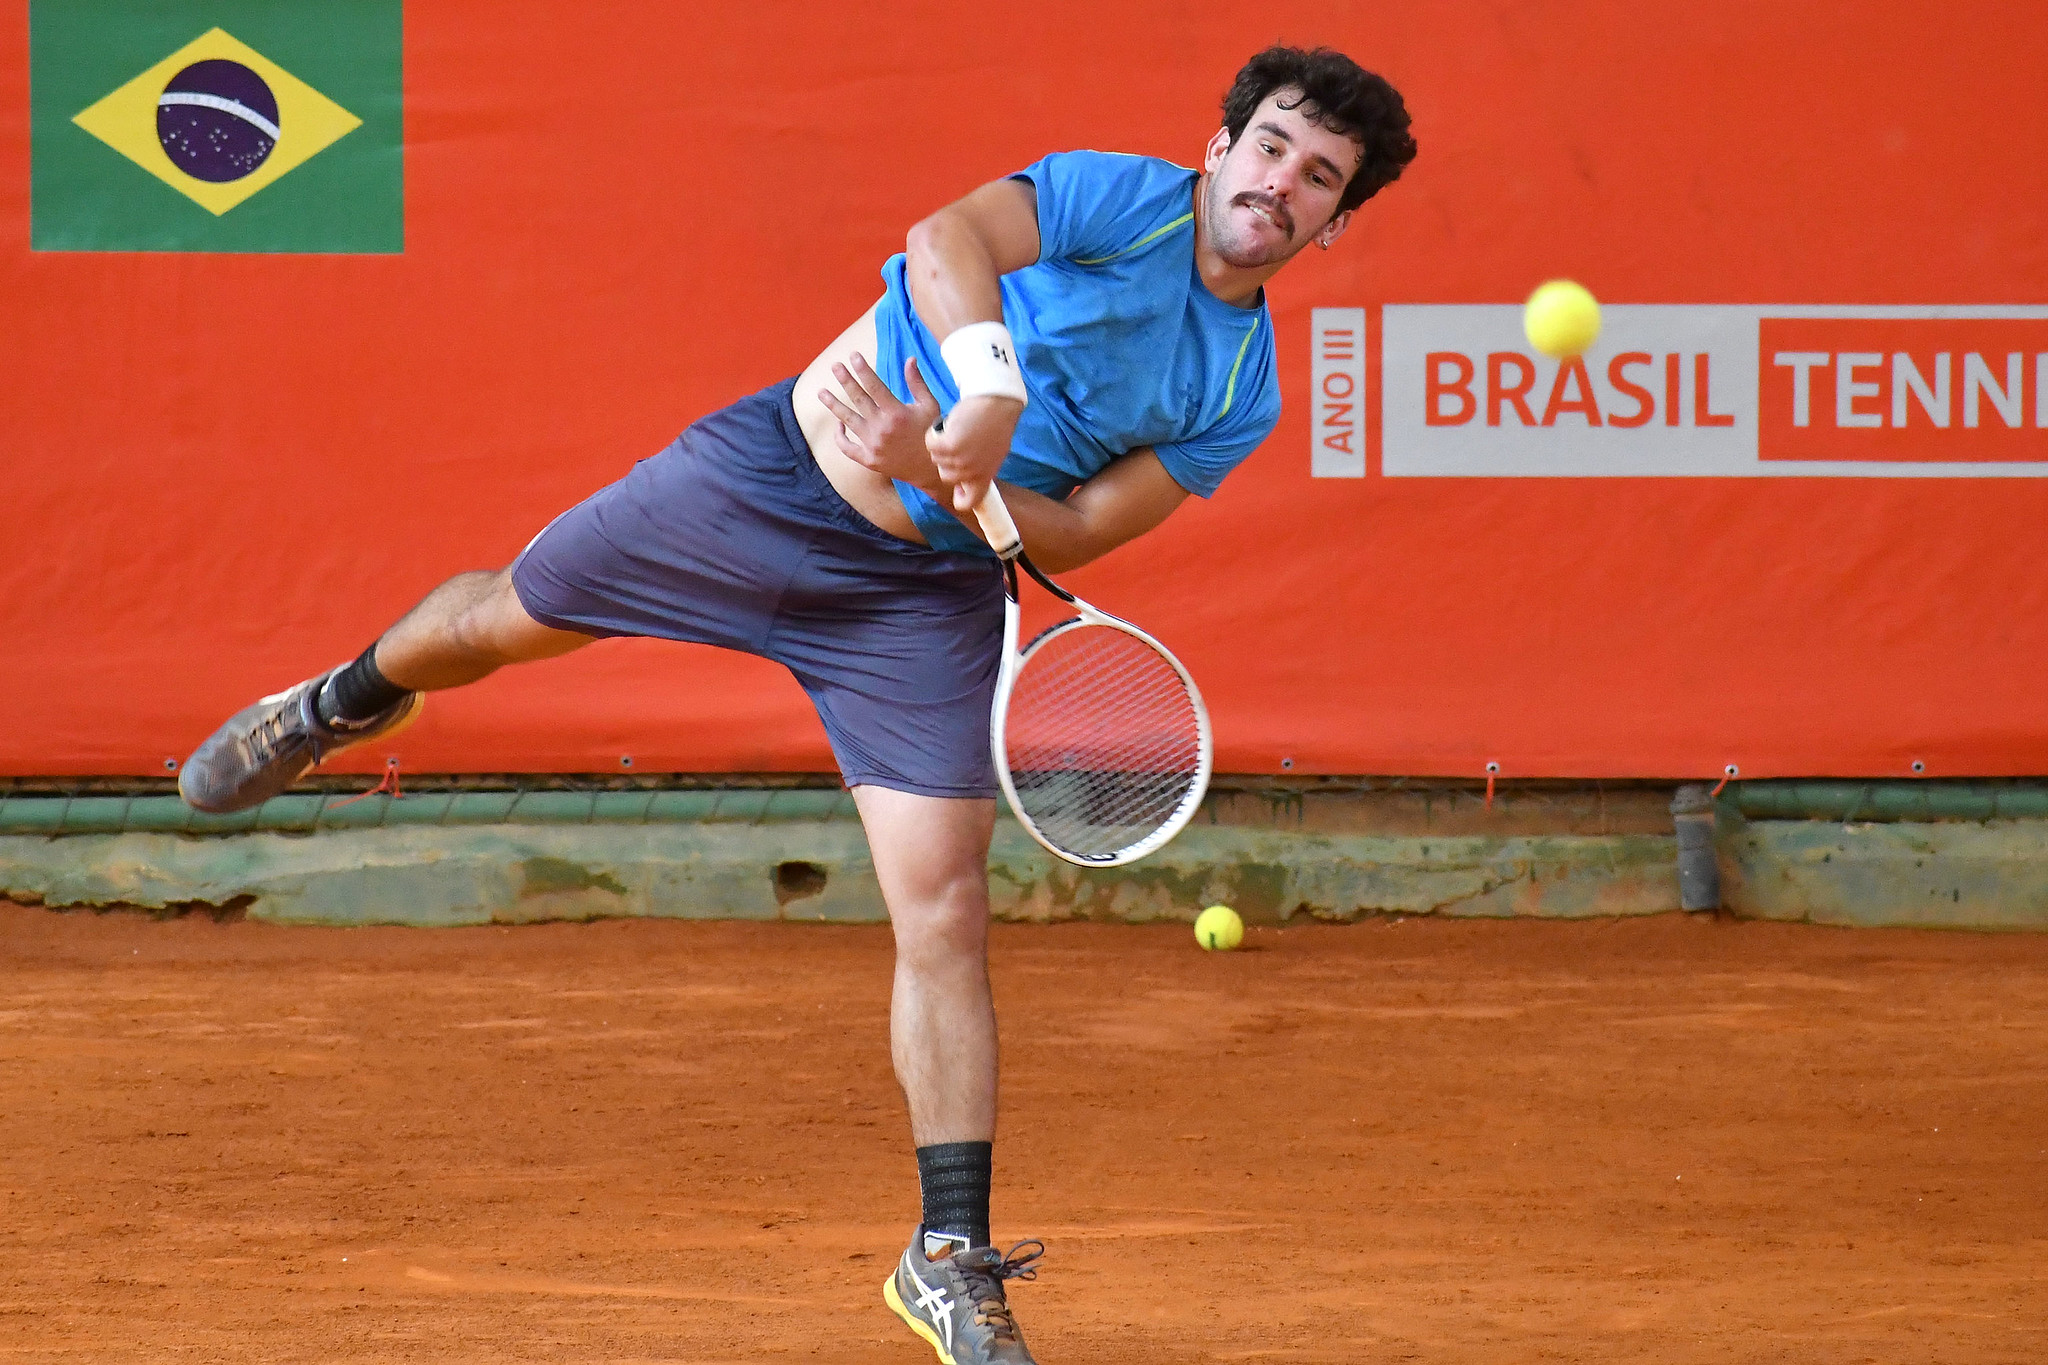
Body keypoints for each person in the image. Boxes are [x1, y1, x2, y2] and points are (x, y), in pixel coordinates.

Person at [178, 44, 1415, 1365]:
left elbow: (1087, 529)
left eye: (1317, 177)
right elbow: (948, 237)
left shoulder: (1239, 388)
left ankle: (945, 1252)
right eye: (1272, 147)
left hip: (921, 601)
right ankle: (343, 699)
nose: (1281, 183)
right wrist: (985, 390)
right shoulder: (1129, 197)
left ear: (1333, 222)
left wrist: (942, 474)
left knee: (944, 903)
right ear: (1221, 144)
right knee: (499, 619)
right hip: (765, 482)